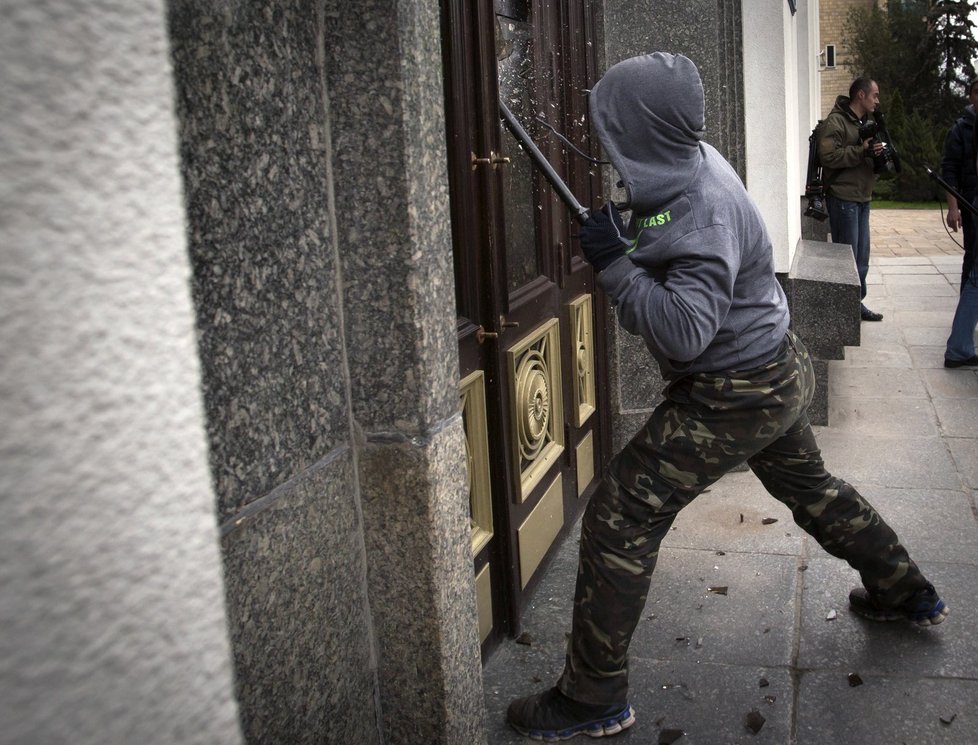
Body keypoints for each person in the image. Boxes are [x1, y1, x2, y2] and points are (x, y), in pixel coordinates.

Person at [506, 53, 948, 742]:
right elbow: (663, 231)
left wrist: (617, 266)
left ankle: (592, 695)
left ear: (643, 126)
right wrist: (629, 233)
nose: (604, 137)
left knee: (620, 514)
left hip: (733, 390)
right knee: (814, 489)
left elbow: (685, 332)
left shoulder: (703, 206)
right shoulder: (688, 160)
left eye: (614, 123)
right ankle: (904, 588)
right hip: (771, 366)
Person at [818, 77, 887, 322]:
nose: (877, 100)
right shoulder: (836, 121)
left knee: (861, 260)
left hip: (862, 198)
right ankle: (844, 310)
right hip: (843, 198)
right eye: (874, 95)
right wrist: (862, 151)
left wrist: (879, 155)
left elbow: (864, 157)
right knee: (846, 261)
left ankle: (855, 305)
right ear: (861, 95)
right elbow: (828, 156)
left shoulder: (866, 123)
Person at [941, 77, 978, 369]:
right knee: (974, 268)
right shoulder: (961, 129)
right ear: (970, 94)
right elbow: (949, 169)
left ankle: (961, 342)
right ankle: (959, 345)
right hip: (971, 205)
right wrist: (953, 207)